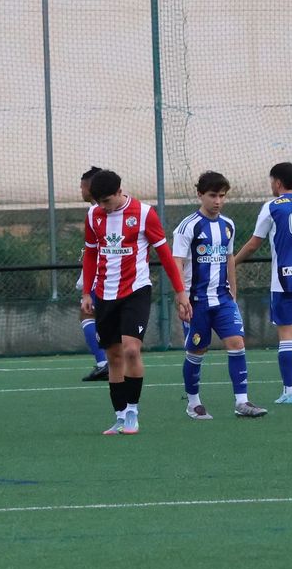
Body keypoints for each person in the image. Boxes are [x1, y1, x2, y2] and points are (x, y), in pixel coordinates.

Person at [80, 169, 192, 435]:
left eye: (107, 201)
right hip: (104, 293)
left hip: (136, 291)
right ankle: (119, 416)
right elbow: (90, 255)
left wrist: (180, 292)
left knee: (131, 350)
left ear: (120, 192)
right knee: (114, 356)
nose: (103, 208)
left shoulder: (144, 214)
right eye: (98, 203)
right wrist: (87, 292)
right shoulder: (93, 215)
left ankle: (132, 411)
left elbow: (165, 255)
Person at [171, 171, 267, 420]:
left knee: (237, 344)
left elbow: (229, 259)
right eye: (213, 195)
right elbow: (177, 263)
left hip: (223, 300)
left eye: (222, 196)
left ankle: (242, 402)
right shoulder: (188, 226)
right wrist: (181, 297)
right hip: (196, 301)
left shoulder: (228, 225)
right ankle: (193, 403)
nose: (218, 201)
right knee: (197, 351)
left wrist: (233, 292)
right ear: (200, 194)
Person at [234, 161, 292, 405]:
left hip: (283, 279)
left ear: (277, 182)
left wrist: (232, 263)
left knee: (286, 334)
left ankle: (288, 391)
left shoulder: (272, 207)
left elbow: (254, 243)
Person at [75, 167, 111, 381]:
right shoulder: (100, 210)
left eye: (82, 186)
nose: (80, 190)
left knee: (88, 314)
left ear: (90, 187)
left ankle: (105, 362)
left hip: (102, 275)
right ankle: (107, 361)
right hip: (102, 273)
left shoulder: (98, 211)